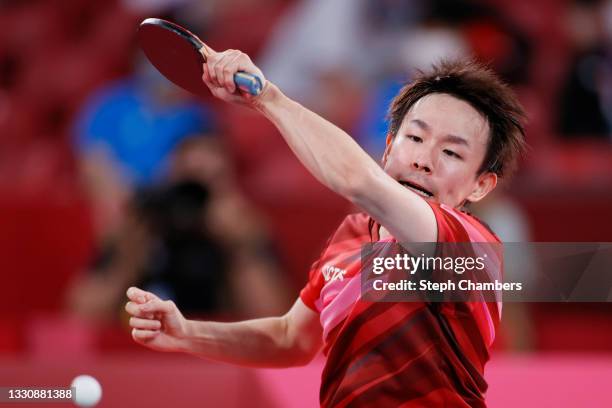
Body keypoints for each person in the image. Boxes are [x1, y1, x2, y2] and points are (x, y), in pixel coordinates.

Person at [124, 46, 526, 406]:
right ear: (388, 148)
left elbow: (357, 179)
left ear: (480, 185)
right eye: (415, 138)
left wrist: (268, 98)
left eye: (452, 152)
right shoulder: (352, 234)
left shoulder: (468, 246)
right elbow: (290, 339)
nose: (424, 160)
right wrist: (187, 334)